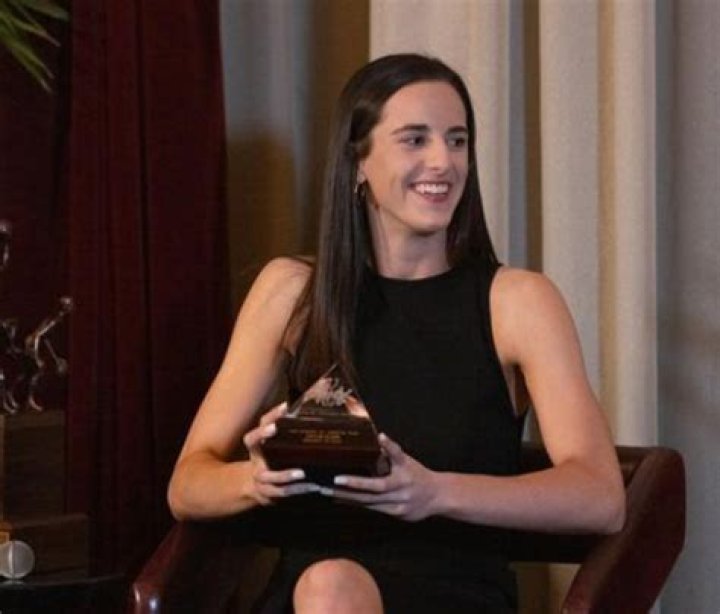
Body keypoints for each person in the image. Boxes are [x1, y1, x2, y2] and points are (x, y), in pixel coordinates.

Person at [167, 54, 625, 613]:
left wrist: (435, 492)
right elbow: (187, 484)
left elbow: (601, 497)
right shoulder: (291, 293)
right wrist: (255, 481)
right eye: (415, 140)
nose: (443, 161)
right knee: (328, 585)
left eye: (457, 141)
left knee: (330, 588)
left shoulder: (518, 302)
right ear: (358, 161)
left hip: (453, 596)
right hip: (312, 595)